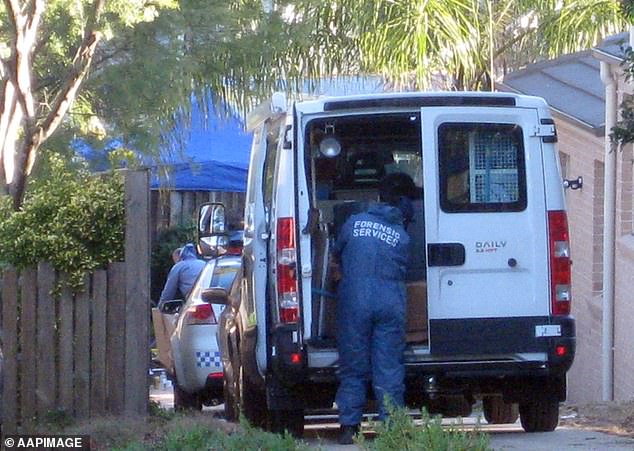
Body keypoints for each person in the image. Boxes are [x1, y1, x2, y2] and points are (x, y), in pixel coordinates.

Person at [331, 172, 414, 445]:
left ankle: (348, 427)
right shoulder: (402, 236)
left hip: (354, 302)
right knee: (388, 367)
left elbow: (336, 253)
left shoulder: (353, 223)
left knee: (353, 367)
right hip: (390, 302)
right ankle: (392, 427)